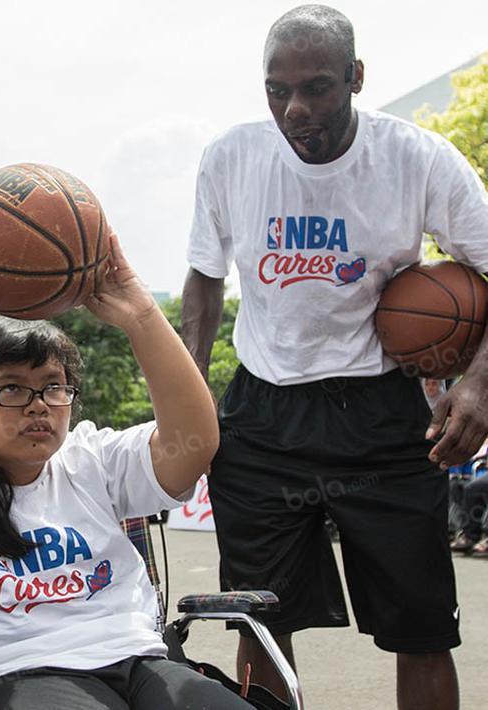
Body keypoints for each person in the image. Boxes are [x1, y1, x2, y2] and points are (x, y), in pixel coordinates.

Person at [180, 6, 488, 708]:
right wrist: (187, 398)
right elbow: (202, 277)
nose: (295, 108)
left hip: (381, 410)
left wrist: (476, 385)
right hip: (261, 412)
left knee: (421, 627)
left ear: (354, 77)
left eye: (316, 87)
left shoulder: (416, 159)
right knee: (258, 621)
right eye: (276, 89)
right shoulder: (231, 157)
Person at [0, 224, 248, 708]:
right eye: (12, 389)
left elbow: (195, 443)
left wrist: (140, 313)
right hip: (8, 670)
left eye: (54, 387)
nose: (39, 405)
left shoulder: (91, 459)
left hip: (136, 660)